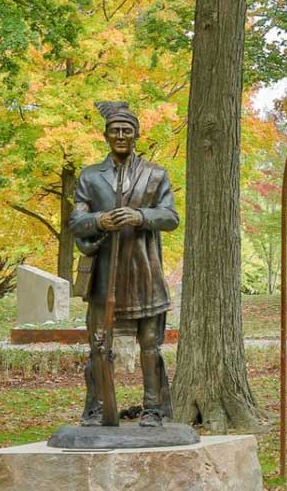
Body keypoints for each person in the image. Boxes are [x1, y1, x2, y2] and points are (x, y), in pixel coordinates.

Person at [69, 101, 179, 428]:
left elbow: (171, 217)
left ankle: (154, 409)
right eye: (115, 130)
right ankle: (97, 408)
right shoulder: (89, 177)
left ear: (136, 135)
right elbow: (76, 221)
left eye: (126, 131)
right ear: (106, 135)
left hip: (145, 273)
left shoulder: (156, 174)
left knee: (150, 346)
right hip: (105, 276)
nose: (120, 135)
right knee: (99, 345)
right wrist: (100, 220)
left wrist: (141, 216)